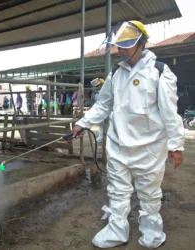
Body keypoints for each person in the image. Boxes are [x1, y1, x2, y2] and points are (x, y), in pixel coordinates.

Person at [72, 21, 184, 249]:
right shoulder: (116, 73)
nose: (120, 50)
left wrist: (176, 145)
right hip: (118, 144)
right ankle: (116, 230)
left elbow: (170, 112)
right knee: (117, 190)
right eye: (118, 45)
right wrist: (83, 123)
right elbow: (103, 104)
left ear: (141, 44)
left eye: (126, 45)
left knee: (150, 194)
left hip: (149, 147)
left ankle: (152, 233)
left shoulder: (160, 72)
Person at [90, 78, 105, 142]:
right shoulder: (95, 93)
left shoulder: (105, 92)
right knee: (101, 124)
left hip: (108, 111)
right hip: (99, 110)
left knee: (108, 125)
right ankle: (101, 136)